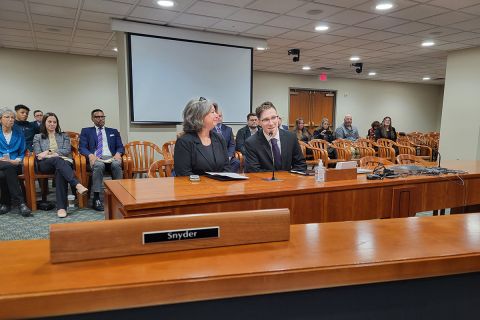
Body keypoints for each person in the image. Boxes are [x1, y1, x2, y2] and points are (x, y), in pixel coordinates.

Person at [33, 113, 88, 218]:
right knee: (57, 160)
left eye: (54, 122)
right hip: (45, 164)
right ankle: (77, 184)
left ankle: (62, 208)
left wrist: (48, 153)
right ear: (44, 123)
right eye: (49, 121)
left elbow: (67, 150)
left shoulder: (64, 135)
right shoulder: (38, 137)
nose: (52, 124)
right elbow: (38, 154)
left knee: (60, 171)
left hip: (64, 162)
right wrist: (52, 152)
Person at [79, 109, 124, 211]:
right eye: (97, 117)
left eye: (102, 117)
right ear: (92, 119)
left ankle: (119, 196)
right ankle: (96, 198)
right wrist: (90, 155)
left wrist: (118, 153)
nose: (100, 119)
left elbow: (120, 146)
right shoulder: (86, 131)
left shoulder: (113, 131)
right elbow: (82, 147)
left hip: (111, 157)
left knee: (116, 165)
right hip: (96, 158)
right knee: (99, 165)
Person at [174, 97, 231, 176]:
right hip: (195, 187)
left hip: (219, 187)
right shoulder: (184, 142)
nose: (217, 115)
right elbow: (184, 174)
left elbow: (226, 168)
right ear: (199, 116)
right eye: (212, 112)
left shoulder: (219, 138)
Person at [244, 101, 306, 173]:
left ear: (278, 118)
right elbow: (253, 171)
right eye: (266, 119)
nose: (271, 123)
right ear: (259, 123)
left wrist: (288, 179)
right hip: (264, 183)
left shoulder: (291, 137)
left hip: (288, 182)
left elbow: (300, 165)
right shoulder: (251, 142)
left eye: (273, 118)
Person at [0, 108, 32, 217]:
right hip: (0, 162)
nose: (11, 119)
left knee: (3, 174)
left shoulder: (19, 132)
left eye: (12, 117)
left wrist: (17, 160)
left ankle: (5, 203)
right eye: (7, 117)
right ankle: (21, 203)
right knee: (7, 167)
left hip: (14, 164)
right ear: (0, 120)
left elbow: (22, 151)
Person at [212, 108, 240, 173]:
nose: (218, 118)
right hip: (214, 157)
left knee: (236, 162)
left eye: (220, 116)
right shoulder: (209, 129)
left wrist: (229, 156)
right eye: (217, 116)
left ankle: (228, 178)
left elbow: (232, 145)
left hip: (227, 156)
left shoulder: (228, 129)